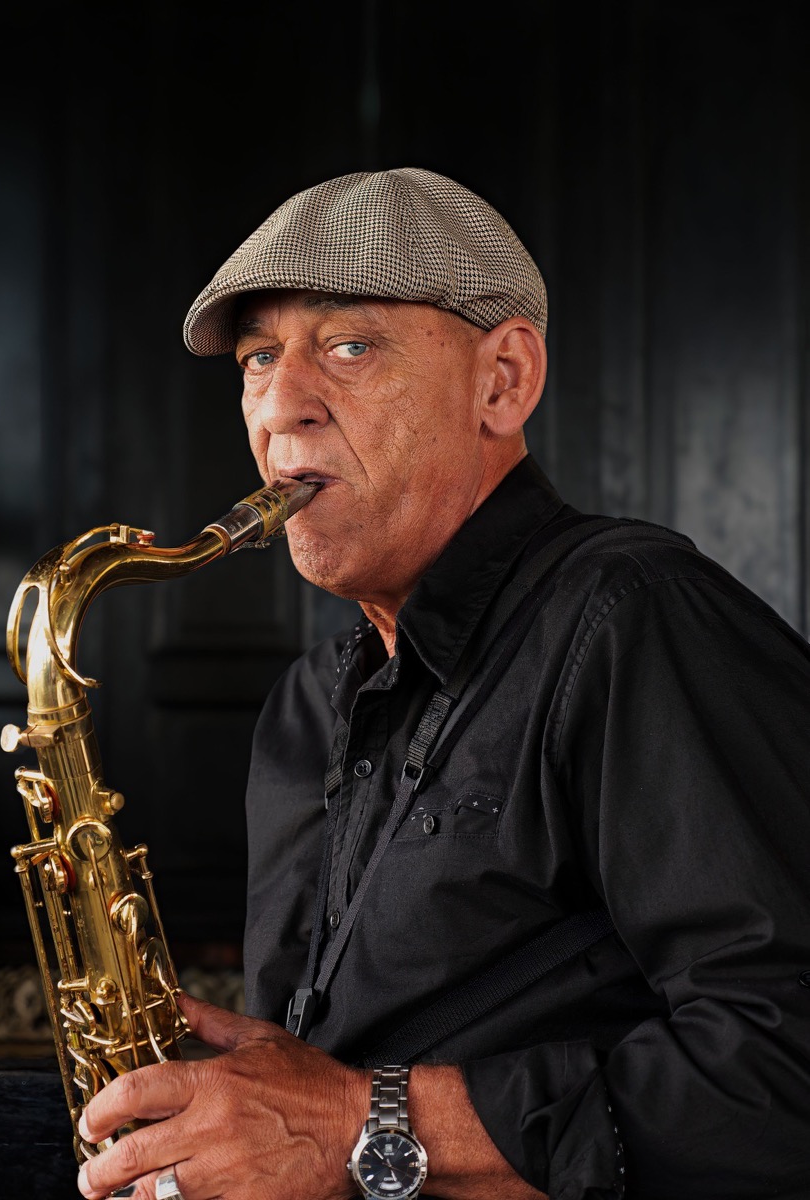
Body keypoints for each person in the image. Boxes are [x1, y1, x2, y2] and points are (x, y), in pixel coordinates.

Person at [75, 169, 810, 1200]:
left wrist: (354, 1121)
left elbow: (785, 1066)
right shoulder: (305, 708)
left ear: (502, 380)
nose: (278, 407)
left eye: (349, 346)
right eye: (257, 358)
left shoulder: (634, 615)